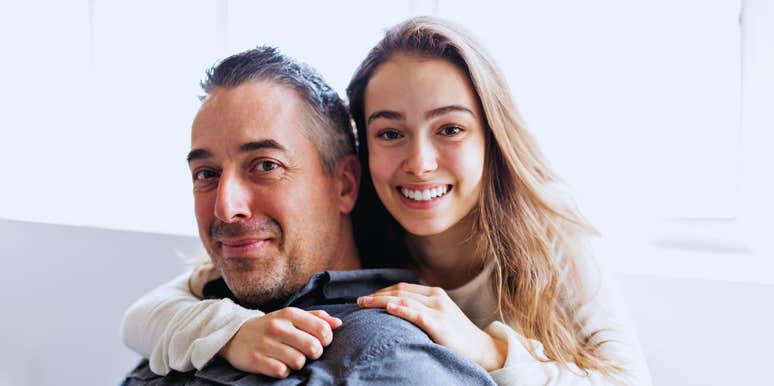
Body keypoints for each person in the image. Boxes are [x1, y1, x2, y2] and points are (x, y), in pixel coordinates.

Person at [122, 17, 652, 385]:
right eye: (390, 133)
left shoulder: (548, 233)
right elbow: (146, 315)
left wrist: (489, 351)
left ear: (491, 136)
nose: (419, 163)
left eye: (449, 129)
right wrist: (230, 332)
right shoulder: (356, 219)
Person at [120, 45, 496, 385]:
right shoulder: (201, 312)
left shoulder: (392, 357)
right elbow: (139, 317)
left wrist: (498, 353)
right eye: (206, 174)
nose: (226, 207)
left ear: (345, 185)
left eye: (266, 165)